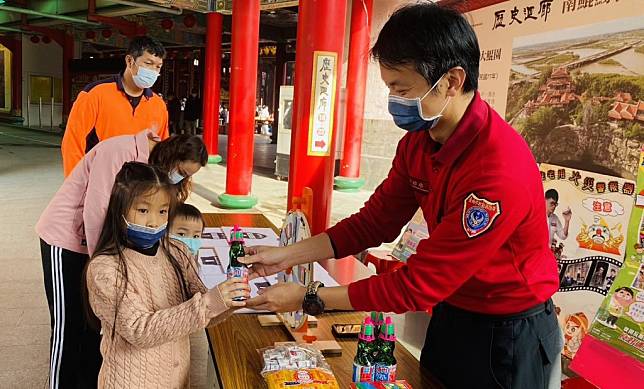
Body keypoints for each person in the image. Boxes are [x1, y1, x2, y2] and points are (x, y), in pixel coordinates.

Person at [242, 4, 561, 388]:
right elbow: (375, 222)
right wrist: (285, 255)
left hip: (508, 332)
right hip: (453, 311)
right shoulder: (420, 141)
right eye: (389, 87)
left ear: (452, 81)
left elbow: (418, 283)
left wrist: (309, 297)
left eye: (402, 89)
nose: (394, 100)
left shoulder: (496, 168)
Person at [36, 130, 207, 388]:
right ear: (173, 155)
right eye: (182, 171)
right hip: (67, 239)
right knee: (69, 327)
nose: (180, 178)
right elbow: (96, 213)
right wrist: (105, 264)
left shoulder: (152, 167)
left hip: (101, 243)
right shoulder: (117, 152)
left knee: (94, 325)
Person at [85, 162, 249, 388]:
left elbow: (203, 309)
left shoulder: (177, 251)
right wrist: (211, 302)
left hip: (177, 378)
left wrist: (233, 299)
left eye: (163, 211)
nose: (154, 221)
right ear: (119, 209)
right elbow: (139, 330)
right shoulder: (105, 268)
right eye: (143, 210)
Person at [61, 36, 169, 177]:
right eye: (148, 63)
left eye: (158, 66)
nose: (153, 71)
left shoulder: (157, 104)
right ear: (130, 61)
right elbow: (72, 143)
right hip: (100, 181)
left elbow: (162, 149)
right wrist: (77, 184)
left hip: (138, 186)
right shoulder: (95, 93)